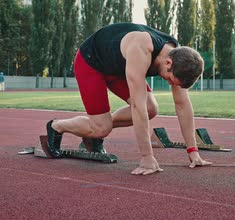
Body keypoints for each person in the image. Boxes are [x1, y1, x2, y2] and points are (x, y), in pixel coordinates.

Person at [46, 23, 212, 175]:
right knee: (102, 128)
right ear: (168, 62)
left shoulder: (179, 58)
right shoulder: (142, 49)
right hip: (92, 62)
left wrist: (193, 151)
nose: (169, 83)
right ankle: (56, 126)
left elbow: (182, 105)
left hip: (118, 68)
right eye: (169, 79)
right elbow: (137, 106)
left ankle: (94, 129)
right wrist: (147, 157)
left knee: (151, 109)